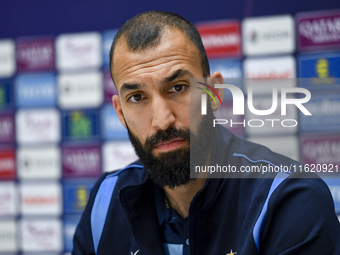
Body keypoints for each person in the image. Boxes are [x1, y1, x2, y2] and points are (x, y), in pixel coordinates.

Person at [72, 11, 340, 255]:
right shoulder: (104, 202)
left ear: (215, 93)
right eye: (137, 97)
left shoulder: (290, 199)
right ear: (120, 113)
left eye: (178, 88)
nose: (162, 120)